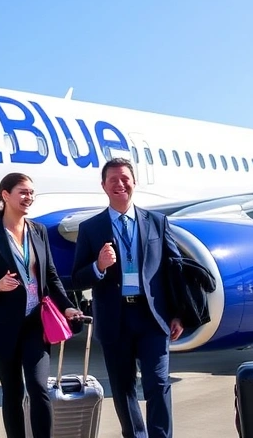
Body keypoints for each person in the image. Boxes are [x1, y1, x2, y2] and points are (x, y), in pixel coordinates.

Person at [72, 158, 184, 438]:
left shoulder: (157, 222)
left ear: (134, 182)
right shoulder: (90, 228)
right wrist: (98, 266)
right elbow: (78, 277)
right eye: (113, 180)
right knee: (123, 389)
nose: (120, 184)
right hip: (114, 318)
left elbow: (174, 268)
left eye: (125, 179)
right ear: (103, 186)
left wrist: (179, 312)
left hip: (152, 316)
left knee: (158, 385)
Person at [0, 173, 81, 438]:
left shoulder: (38, 231)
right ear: (5, 196)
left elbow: (50, 276)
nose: (29, 197)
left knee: (40, 388)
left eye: (31, 192)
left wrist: (67, 307)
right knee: (13, 392)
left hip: (35, 323)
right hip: (2, 326)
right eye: (23, 192)